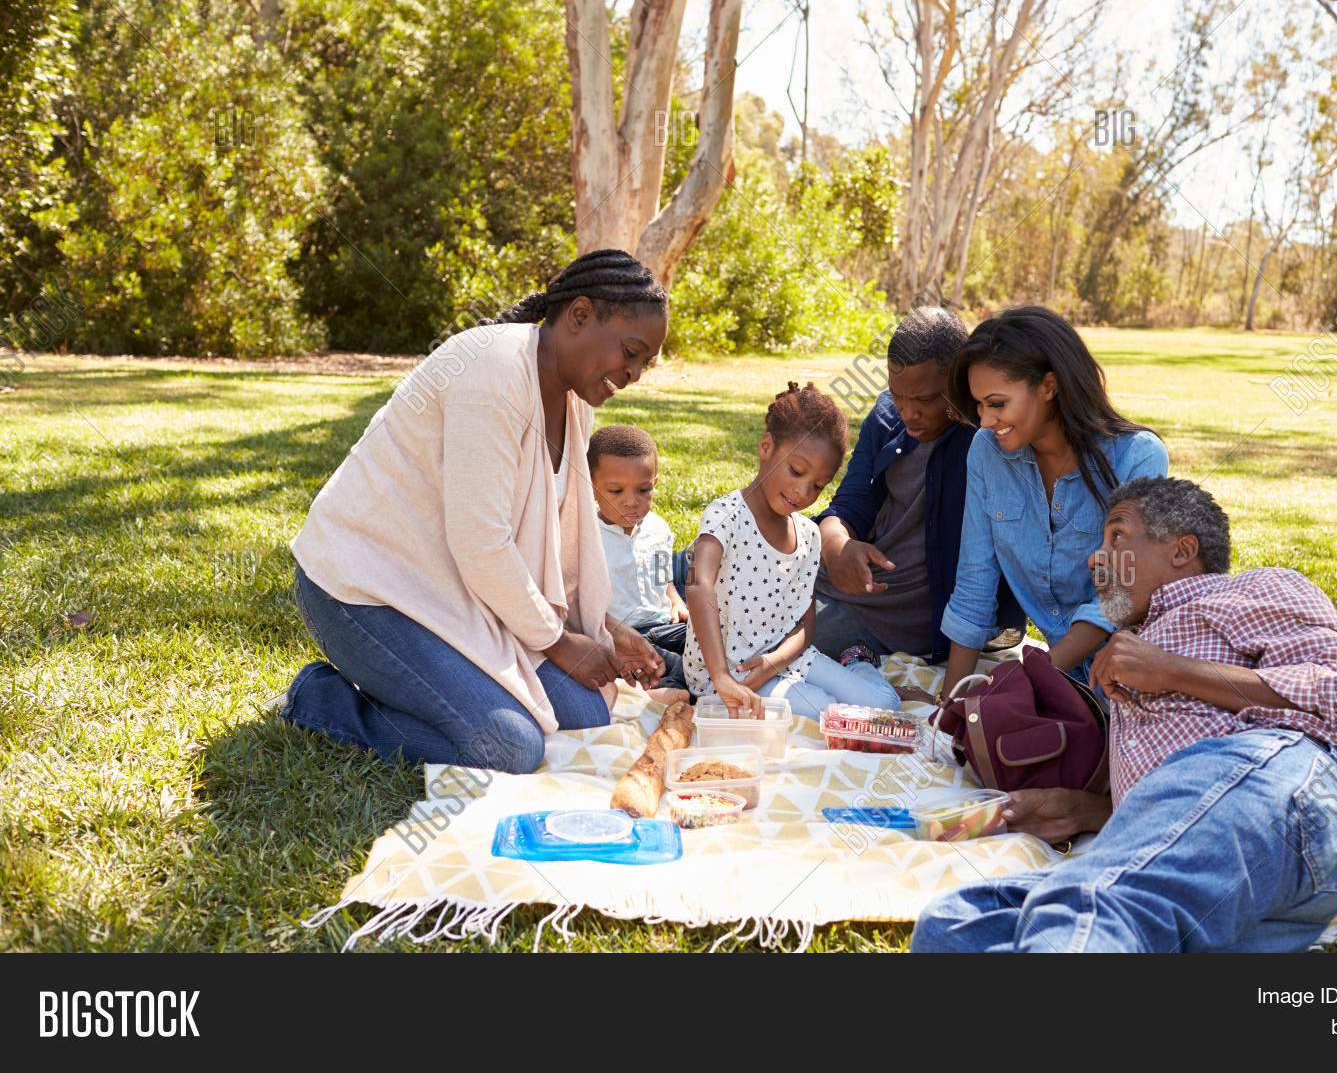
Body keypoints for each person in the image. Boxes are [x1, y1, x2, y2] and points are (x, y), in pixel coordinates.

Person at [911, 476, 1337, 953]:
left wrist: (1173, 670)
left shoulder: (1252, 590)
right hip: (1230, 872)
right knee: (953, 925)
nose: (1095, 557)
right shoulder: (1133, 646)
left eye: (1117, 536)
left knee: (1092, 917)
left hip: (1275, 786)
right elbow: (1184, 812)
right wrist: (1081, 809)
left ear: (1182, 551)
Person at [277, 249, 670, 774]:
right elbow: (481, 543)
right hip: (364, 592)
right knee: (510, 747)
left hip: (451, 592)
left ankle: (429, 690)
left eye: (644, 362)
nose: (635, 374)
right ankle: (319, 699)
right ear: (578, 316)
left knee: (585, 708)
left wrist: (604, 627)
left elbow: (544, 542)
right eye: (630, 351)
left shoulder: (575, 399)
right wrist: (557, 641)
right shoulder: (494, 371)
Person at [938, 306, 1168, 701]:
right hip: (1060, 674)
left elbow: (1119, 597)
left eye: (996, 403)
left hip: (1136, 673)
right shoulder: (986, 453)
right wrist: (949, 702)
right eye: (978, 406)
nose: (985, 420)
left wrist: (1029, 680)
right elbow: (975, 580)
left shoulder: (1138, 457)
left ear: (1049, 386)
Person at [813, 307, 1025, 667]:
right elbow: (849, 505)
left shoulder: (988, 436)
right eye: (899, 395)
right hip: (837, 583)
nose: (909, 412)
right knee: (714, 566)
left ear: (961, 380)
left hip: (895, 620)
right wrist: (837, 547)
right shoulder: (886, 416)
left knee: (751, 626)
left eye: (925, 399)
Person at [682, 382, 903, 720]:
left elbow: (805, 621)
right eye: (796, 471)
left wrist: (777, 660)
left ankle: (857, 662)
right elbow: (699, 585)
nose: (803, 491)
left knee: (886, 707)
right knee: (837, 716)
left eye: (818, 485)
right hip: (731, 674)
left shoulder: (809, 534)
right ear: (766, 447)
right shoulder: (725, 515)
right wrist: (722, 676)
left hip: (787, 659)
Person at [588, 424, 691, 705]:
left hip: (663, 626)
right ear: (592, 486)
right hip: (622, 637)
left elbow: (662, 576)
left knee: (711, 640)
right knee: (675, 665)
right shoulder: (587, 536)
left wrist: (675, 602)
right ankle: (662, 689)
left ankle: (670, 686)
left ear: (655, 484)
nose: (631, 502)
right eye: (616, 491)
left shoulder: (658, 528)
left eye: (643, 490)